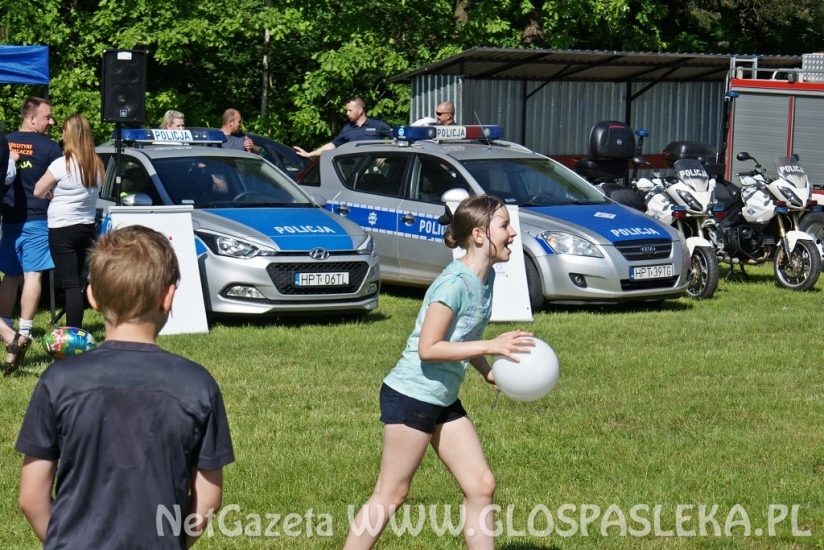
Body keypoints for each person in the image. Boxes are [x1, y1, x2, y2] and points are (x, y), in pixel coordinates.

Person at [15, 225, 235, 548]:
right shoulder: (197, 385)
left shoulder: (58, 382)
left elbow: (31, 497)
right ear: (168, 296)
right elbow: (208, 500)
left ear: (92, 296)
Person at [343, 195, 533, 550]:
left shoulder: (486, 278)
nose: (512, 233)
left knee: (481, 486)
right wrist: (490, 346)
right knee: (391, 493)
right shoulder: (453, 285)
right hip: (412, 396)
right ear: (479, 235)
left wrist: (488, 372)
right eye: (504, 226)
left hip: (441, 397)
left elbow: (464, 334)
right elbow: (429, 348)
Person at [0, 97, 61, 374]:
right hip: (37, 218)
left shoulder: (6, 142)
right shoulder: (50, 148)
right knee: (33, 274)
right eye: (47, 117)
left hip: (9, 218)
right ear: (32, 118)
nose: (52, 122)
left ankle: (6, 325)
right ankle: (24, 331)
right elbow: (61, 183)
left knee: (10, 274)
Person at [33, 114, 103, 331]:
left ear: (69, 135)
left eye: (64, 131)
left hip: (62, 227)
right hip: (86, 226)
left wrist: (50, 194)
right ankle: (76, 327)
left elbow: (38, 190)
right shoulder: (96, 164)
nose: (62, 135)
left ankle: (73, 331)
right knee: (76, 282)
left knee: (70, 284)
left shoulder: (61, 164)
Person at [293, 97, 392, 159]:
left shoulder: (378, 125)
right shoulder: (347, 129)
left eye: (350, 110)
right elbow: (332, 146)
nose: (347, 113)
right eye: (347, 111)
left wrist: (385, 157)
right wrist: (309, 154)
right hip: (356, 171)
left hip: (375, 171)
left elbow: (397, 139)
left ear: (360, 110)